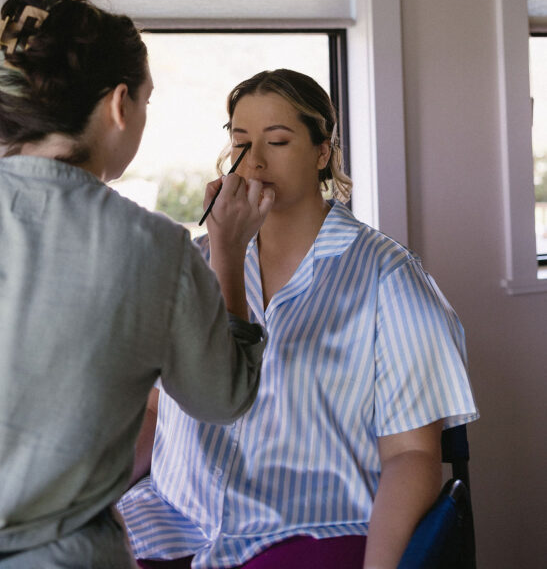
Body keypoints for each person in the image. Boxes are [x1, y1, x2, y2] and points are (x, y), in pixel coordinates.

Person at [0, 0, 274, 569]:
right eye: (147, 103)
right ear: (118, 106)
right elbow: (222, 397)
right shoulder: (154, 247)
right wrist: (230, 254)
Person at [119, 69, 479, 569]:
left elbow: (411, 457)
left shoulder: (387, 278)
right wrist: (84, 500)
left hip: (307, 533)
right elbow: (155, 413)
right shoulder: (191, 265)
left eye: (279, 141)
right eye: (241, 141)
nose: (256, 160)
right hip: (170, 523)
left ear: (322, 152)